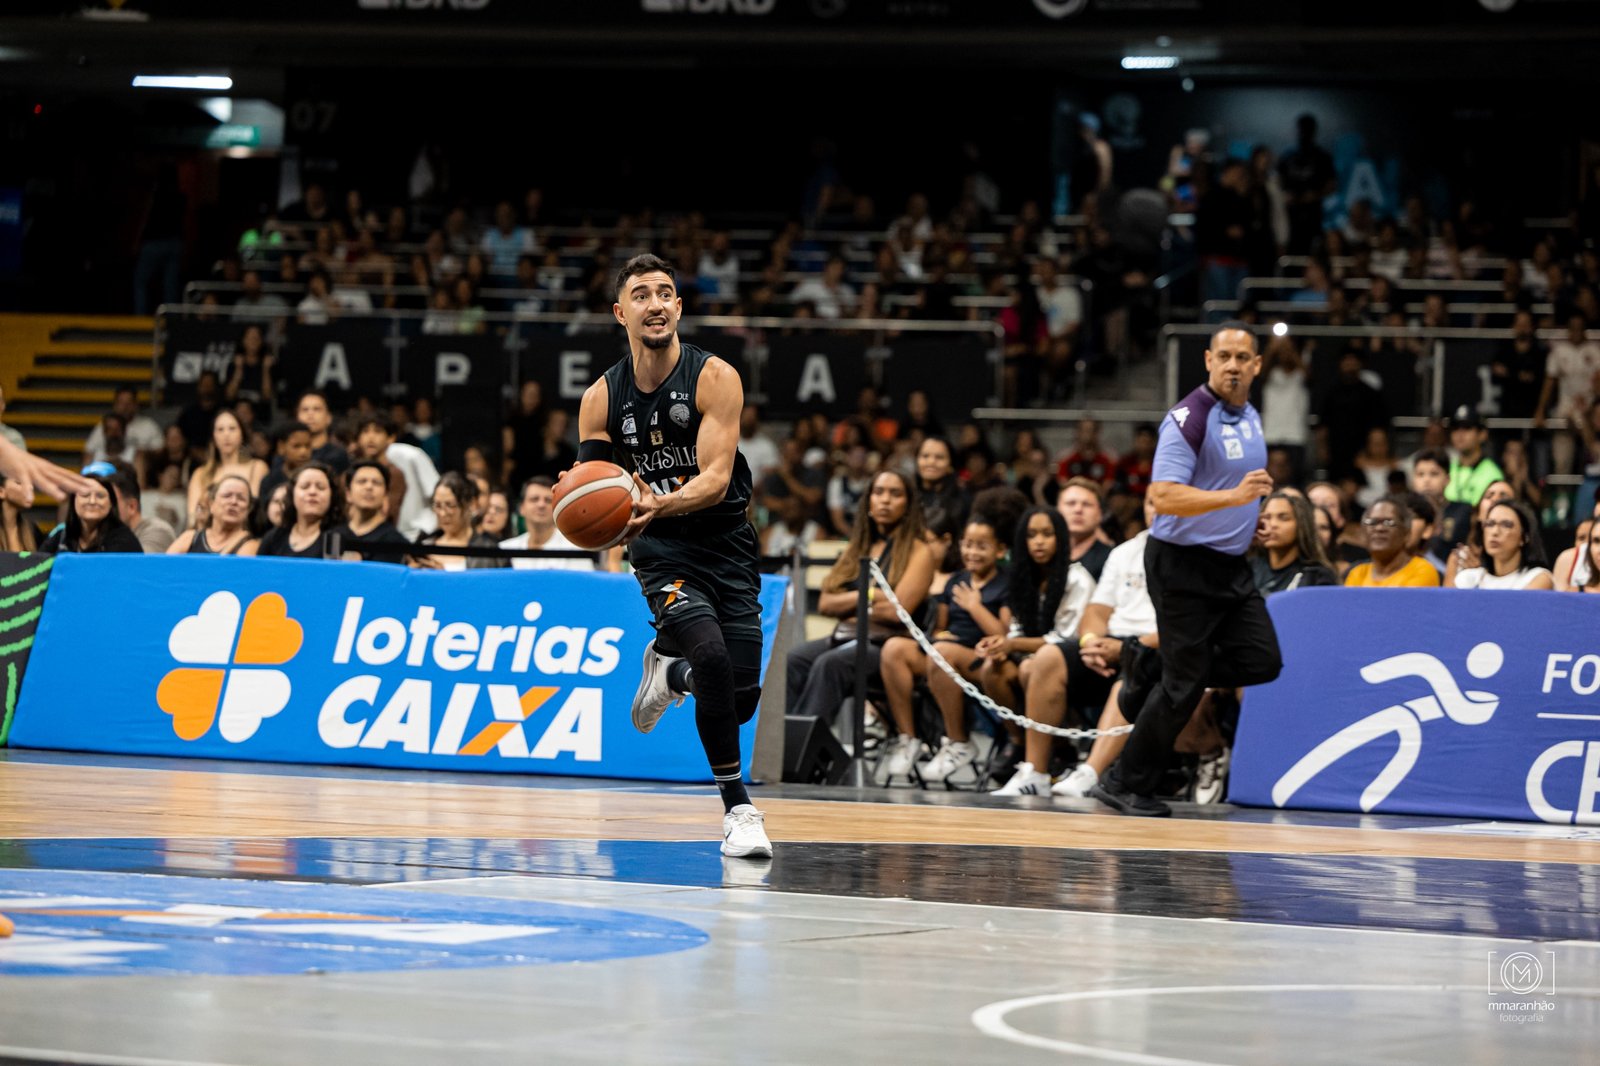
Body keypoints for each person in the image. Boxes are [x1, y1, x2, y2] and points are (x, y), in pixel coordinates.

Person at [576, 255, 774, 859]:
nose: (656, 303)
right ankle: (738, 809)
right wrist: (580, 495)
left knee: (737, 699)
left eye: (666, 293)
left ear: (679, 308)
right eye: (641, 295)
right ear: (621, 312)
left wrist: (655, 503)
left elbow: (715, 480)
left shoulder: (715, 378)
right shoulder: (600, 398)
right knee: (711, 658)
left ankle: (668, 668)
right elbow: (595, 482)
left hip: (727, 542)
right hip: (663, 553)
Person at [1090, 323, 1282, 817]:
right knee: (1186, 684)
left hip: (1230, 565)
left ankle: (1149, 664)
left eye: (1243, 357)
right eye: (1225, 357)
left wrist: (1246, 521)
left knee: (1262, 661)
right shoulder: (1188, 418)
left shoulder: (1250, 414)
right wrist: (1237, 498)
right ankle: (1123, 781)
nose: (1234, 365)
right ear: (1208, 360)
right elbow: (1163, 495)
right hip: (1182, 565)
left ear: (1257, 365)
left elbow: (1227, 486)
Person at [784, 468, 935, 765]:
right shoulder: (858, 547)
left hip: (887, 645)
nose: (885, 500)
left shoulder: (920, 551)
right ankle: (780, 746)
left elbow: (897, 610)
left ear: (908, 504)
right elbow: (827, 601)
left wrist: (854, 602)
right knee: (794, 660)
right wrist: (868, 595)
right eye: (879, 493)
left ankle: (802, 757)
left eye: (895, 494)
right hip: (848, 635)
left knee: (830, 665)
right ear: (868, 501)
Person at [985, 506, 1097, 797]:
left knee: (1029, 668)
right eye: (1032, 535)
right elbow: (1016, 631)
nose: (1039, 542)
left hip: (1072, 662)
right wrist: (1001, 647)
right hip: (1031, 658)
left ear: (1060, 539)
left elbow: (1066, 638)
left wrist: (1013, 645)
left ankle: (1045, 758)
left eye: (1047, 534)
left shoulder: (1078, 579)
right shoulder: (1022, 579)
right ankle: (1029, 746)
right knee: (991, 670)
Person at [915, 515, 1012, 783]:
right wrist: (939, 634)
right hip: (948, 649)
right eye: (968, 545)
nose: (972, 552)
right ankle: (908, 738)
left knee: (942, 653)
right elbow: (941, 627)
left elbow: (1003, 634)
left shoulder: (1005, 583)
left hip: (983, 657)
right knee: (894, 651)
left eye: (982, 546)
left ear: (1000, 550)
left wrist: (974, 606)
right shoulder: (954, 581)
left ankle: (958, 740)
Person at [187, 409, 269, 528]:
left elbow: (253, 512)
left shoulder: (257, 467)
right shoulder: (200, 474)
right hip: (206, 535)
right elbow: (192, 517)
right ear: (213, 437)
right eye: (220, 429)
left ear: (242, 434)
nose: (226, 434)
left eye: (232, 428)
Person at [245, 462, 342, 559]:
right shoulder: (273, 537)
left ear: (332, 495)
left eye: (320, 487)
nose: (312, 492)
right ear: (292, 494)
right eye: (305, 486)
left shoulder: (341, 537)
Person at [1453, 499, 1552, 590]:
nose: (1495, 532)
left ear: (1524, 538)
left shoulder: (1537, 577)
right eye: (1490, 524)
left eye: (1506, 525)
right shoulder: (1468, 579)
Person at [1343, 497, 1441, 587]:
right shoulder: (1357, 573)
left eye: (1389, 522)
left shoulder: (1422, 570)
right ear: (1363, 533)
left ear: (1406, 533)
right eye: (1372, 522)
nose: (1379, 528)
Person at [1252, 491, 1339, 594]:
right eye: (1267, 518)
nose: (1273, 524)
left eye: (1283, 518)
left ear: (1302, 525)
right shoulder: (1248, 568)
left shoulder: (1317, 576)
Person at [502, 476, 594, 571]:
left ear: (557, 507)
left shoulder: (574, 549)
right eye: (534, 499)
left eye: (548, 500)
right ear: (521, 508)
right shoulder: (505, 548)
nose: (541, 505)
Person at [416, 472, 505, 571]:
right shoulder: (423, 547)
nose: (442, 513)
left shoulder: (489, 551)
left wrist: (442, 576)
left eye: (450, 505)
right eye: (438, 505)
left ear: (469, 504)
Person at [40, 474, 144, 554]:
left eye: (100, 496)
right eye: (85, 495)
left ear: (111, 504)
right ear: (74, 502)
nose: (92, 501)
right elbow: (37, 568)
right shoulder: (61, 536)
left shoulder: (124, 541)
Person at [336, 460, 412, 564]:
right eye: (362, 481)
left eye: (376, 483)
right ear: (348, 494)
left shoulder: (395, 541)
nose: (369, 487)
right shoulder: (333, 535)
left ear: (385, 495)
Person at [168, 475, 256, 556]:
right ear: (211, 504)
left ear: (249, 508)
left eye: (241, 498)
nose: (233, 502)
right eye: (227, 496)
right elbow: (163, 568)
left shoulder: (251, 545)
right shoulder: (190, 538)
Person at [1444, 406, 1505, 508]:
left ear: (1482, 434)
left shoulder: (1493, 473)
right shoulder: (1447, 467)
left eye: (1467, 427)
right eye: (1455, 428)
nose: (1460, 433)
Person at [1056, 476, 1113, 580]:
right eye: (1071, 503)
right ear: (1058, 510)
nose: (1078, 509)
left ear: (1100, 513)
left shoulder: (1113, 559)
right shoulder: (1044, 555)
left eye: (1087, 504)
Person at [109, 466, 175, 554]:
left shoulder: (158, 531)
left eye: (111, 501)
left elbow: (139, 565)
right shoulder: (104, 532)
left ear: (131, 506)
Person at [295, 390, 350, 474]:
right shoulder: (287, 456)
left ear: (329, 418)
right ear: (297, 417)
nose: (310, 414)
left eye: (317, 409)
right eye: (305, 409)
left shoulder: (339, 455)